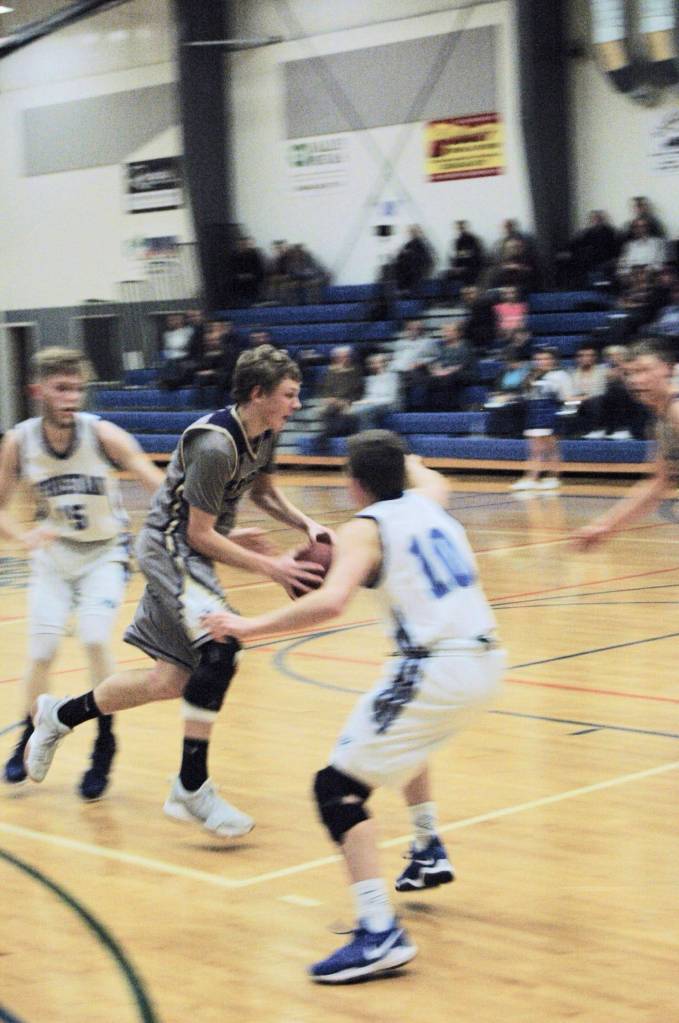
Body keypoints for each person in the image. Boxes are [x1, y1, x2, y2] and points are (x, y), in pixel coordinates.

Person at [202, 431, 505, 983]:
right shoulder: (431, 497)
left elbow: (331, 599)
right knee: (400, 742)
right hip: (485, 660)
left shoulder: (366, 528)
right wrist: (404, 460)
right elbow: (428, 473)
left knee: (335, 790)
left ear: (354, 485)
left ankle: (378, 931)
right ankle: (427, 845)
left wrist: (248, 625)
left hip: (434, 666)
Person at [24, 345, 333, 836]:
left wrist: (307, 524)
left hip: (189, 551)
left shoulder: (267, 431)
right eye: (289, 395)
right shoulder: (214, 446)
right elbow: (197, 535)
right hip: (170, 549)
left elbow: (263, 491)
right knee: (222, 646)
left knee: (166, 683)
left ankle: (58, 714)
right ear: (258, 394)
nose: (297, 404)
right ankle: (191, 787)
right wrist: (271, 567)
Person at [0, 347, 165, 798]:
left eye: (77, 388)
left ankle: (105, 740)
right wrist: (22, 535)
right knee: (42, 651)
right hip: (54, 556)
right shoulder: (20, 440)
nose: (71, 397)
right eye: (61, 388)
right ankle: (28, 737)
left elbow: (156, 481)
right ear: (38, 391)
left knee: (94, 639)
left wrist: (204, 519)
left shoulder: (102, 433)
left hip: (104, 553)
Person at [574, 341, 677, 549]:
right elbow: (658, 482)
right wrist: (605, 525)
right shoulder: (660, 418)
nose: (636, 380)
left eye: (644, 370)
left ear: (668, 368)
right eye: (630, 373)